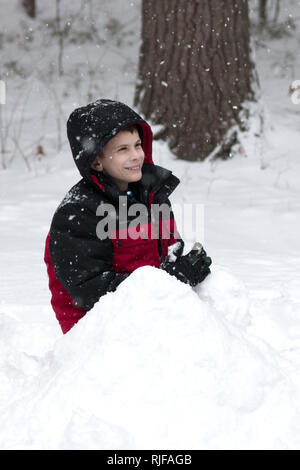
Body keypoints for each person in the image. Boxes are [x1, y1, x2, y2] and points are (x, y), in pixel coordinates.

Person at [44, 99, 212, 334]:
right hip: (102, 332)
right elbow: (90, 292)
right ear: (97, 161)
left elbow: (169, 248)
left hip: (153, 312)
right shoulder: (79, 214)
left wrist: (186, 267)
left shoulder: (152, 194)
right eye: (123, 149)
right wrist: (171, 280)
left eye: (137, 145)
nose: (136, 156)